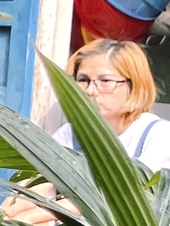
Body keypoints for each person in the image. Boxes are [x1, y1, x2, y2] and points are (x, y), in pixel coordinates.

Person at [57, 38, 170, 172]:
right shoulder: (69, 134)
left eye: (105, 80)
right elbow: (40, 183)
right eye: (83, 80)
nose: (90, 90)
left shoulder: (158, 135)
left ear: (134, 85)